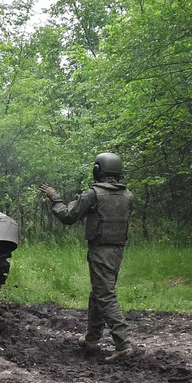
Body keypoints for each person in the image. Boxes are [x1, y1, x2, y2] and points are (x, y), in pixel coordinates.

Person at [39, 152, 136, 361]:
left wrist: (54, 197)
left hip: (100, 250)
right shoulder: (127, 195)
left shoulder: (93, 194)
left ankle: (123, 343)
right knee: (99, 293)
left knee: (105, 295)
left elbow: (68, 216)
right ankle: (92, 338)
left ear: (98, 170)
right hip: (117, 249)